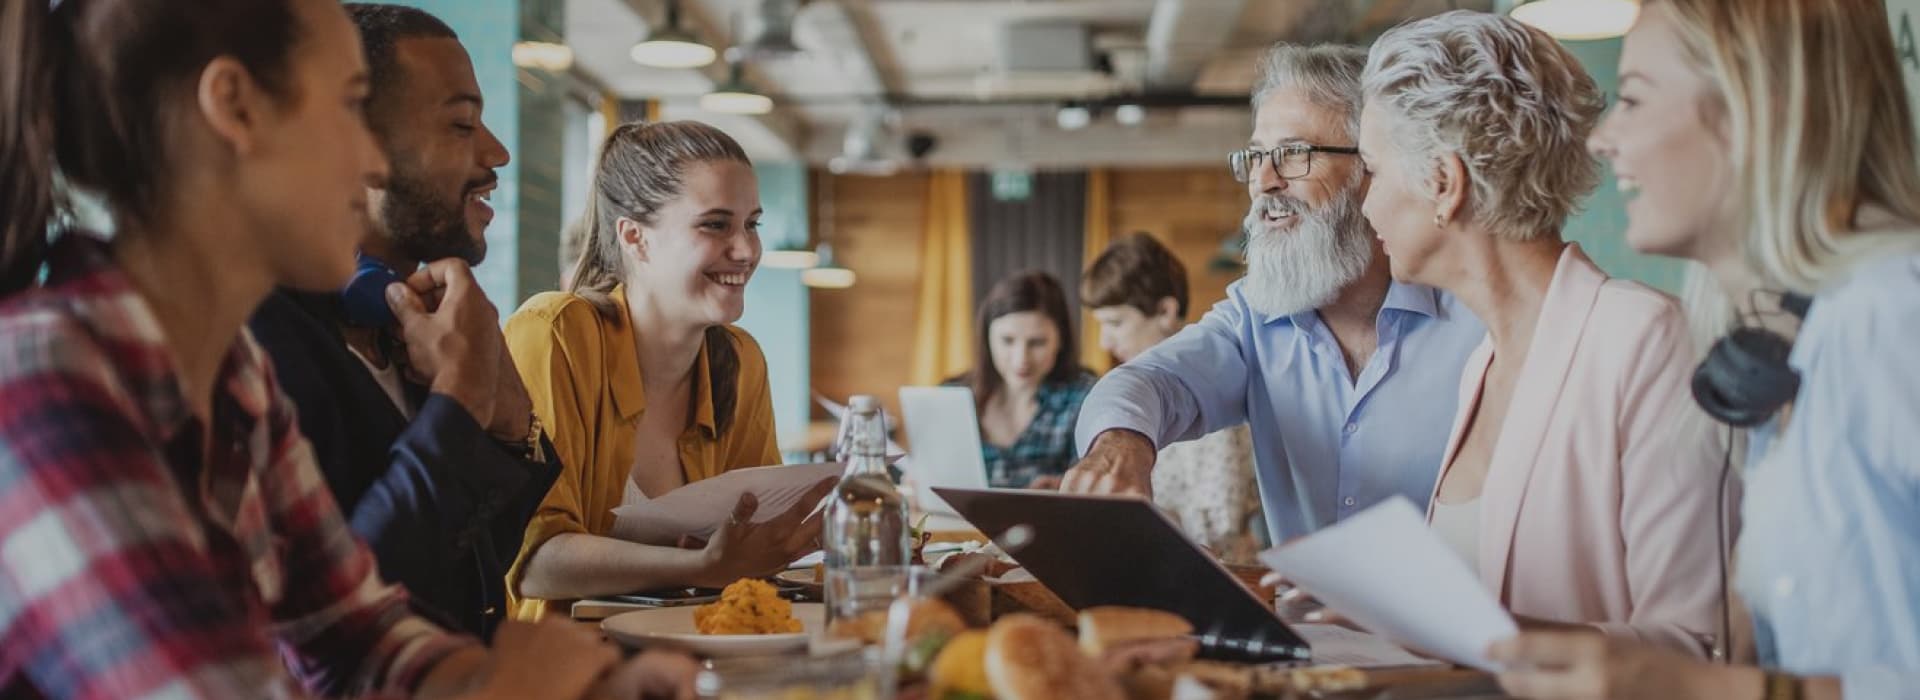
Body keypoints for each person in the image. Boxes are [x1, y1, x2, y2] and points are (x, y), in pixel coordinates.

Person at [0, 0, 690, 697]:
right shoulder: (44, 383)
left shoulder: (235, 376)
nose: (370, 162)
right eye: (348, 106)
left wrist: (568, 683)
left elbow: (357, 635)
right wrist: (514, 683)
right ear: (235, 108)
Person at [1491, 1, 1920, 697]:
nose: (1603, 139)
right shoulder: (1777, 349)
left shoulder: (1892, 315)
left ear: (1756, 110)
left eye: (1631, 99)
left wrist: (1712, 690)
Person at [1355, 10, 1725, 655]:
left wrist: (1477, 635)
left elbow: (1700, 647)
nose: (1365, 204)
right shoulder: (1480, 363)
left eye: (1372, 171)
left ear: (1444, 183)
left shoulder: (1645, 340)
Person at [1063, 43, 1487, 546]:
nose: (1264, 181)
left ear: (1371, 168)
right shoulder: (1254, 317)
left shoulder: (1477, 321)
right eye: (1257, 156)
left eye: (1293, 154)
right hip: (1303, 625)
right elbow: (1153, 379)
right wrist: (1120, 442)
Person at [246, 3, 557, 641]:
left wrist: (510, 430)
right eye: (461, 125)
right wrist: (460, 401)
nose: (495, 153)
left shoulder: (423, 318)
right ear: (354, 142)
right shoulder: (259, 337)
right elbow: (341, 623)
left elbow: (471, 562)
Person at [505, 121, 829, 620]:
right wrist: (701, 565)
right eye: (715, 224)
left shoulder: (741, 360)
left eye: (751, 224)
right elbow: (532, 561)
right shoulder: (555, 334)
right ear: (635, 238)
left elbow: (754, 542)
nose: (746, 250)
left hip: (698, 658)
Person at [1080, 233, 1263, 563]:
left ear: (1165, 311)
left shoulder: (1211, 392)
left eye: (1116, 323)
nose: (1105, 342)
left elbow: (1217, 534)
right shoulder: (1136, 398)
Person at [948, 271, 1097, 490]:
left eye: (1037, 343)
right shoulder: (952, 395)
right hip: (954, 525)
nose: (1021, 359)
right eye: (1007, 341)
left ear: (1061, 339)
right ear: (987, 337)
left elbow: (1094, 485)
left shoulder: (1086, 396)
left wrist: (1066, 488)